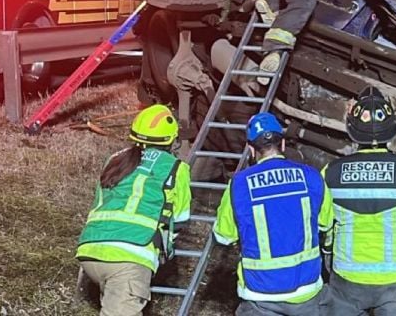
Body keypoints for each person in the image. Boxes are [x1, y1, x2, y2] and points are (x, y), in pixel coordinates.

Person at [322, 86, 396, 315]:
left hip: (348, 277)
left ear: (352, 129)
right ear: (392, 128)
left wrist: (328, 253)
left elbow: (324, 226)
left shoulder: (331, 172)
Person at [76, 104, 191, 316]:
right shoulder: (175, 167)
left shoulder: (115, 159)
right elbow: (181, 217)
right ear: (171, 139)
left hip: (90, 250)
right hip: (129, 255)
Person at [213, 112, 333, 315]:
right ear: (283, 144)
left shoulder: (238, 185)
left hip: (260, 295)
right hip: (307, 292)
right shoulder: (312, 177)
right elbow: (326, 224)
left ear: (251, 149)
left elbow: (223, 236)